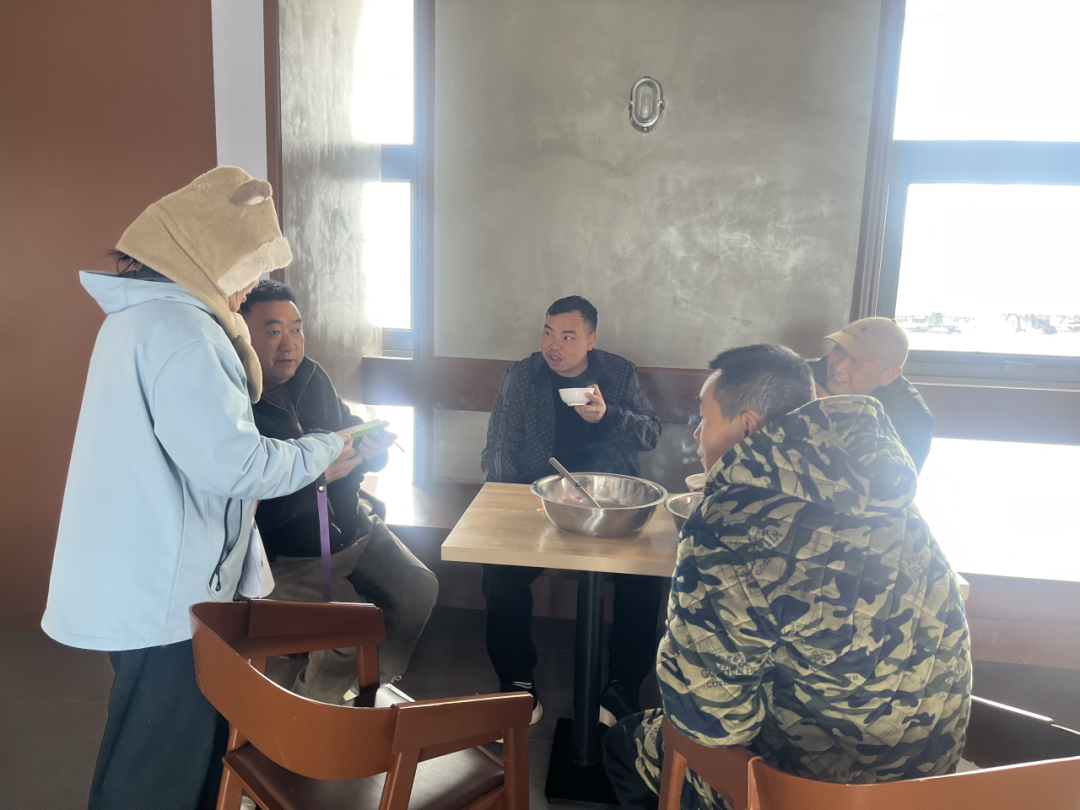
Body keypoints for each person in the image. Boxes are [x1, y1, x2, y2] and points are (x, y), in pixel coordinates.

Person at [41, 168, 353, 810]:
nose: (250, 287)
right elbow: (237, 466)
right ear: (208, 255)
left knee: (178, 746)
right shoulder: (184, 333)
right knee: (158, 765)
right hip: (165, 588)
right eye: (247, 268)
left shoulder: (143, 321)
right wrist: (328, 447)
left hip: (149, 572)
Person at [604, 344, 970, 810]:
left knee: (626, 743)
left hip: (817, 793)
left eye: (704, 418)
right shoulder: (884, 493)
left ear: (748, 427)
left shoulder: (732, 521)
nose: (696, 435)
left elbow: (709, 721)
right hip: (928, 780)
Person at [240, 280, 439, 703]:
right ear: (243, 335)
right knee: (346, 636)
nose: (289, 344)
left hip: (353, 526)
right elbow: (251, 509)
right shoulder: (237, 403)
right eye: (273, 331)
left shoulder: (312, 376)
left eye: (296, 329)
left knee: (418, 588)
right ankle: (304, 722)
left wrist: (372, 450)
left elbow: (350, 433)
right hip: (289, 556)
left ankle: (365, 686)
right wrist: (318, 479)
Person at [481, 295, 663, 725]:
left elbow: (650, 434)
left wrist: (607, 416)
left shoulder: (618, 373)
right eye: (548, 332)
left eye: (567, 336)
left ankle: (621, 687)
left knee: (644, 578)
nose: (554, 345)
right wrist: (504, 508)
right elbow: (499, 447)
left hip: (609, 503)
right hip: (540, 501)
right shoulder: (523, 375)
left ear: (590, 340)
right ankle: (517, 683)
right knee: (500, 571)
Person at [810, 316, 934, 472]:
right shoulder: (799, 377)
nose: (838, 366)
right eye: (838, 350)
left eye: (855, 360)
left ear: (888, 375)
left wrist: (840, 420)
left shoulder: (912, 419)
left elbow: (895, 484)